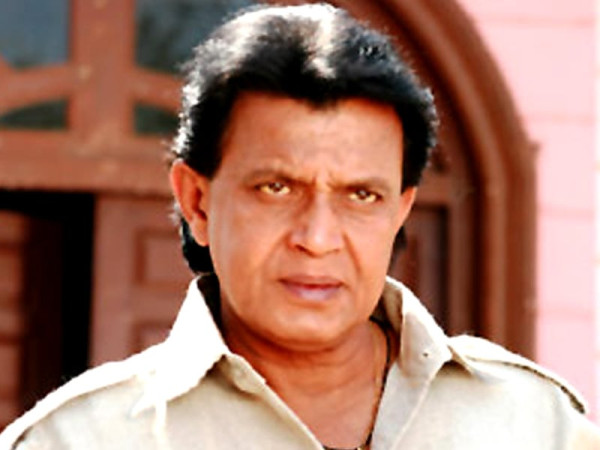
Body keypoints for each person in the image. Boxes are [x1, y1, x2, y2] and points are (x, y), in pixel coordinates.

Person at [1, 4, 599, 449]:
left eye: (361, 195)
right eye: (277, 188)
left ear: (399, 211)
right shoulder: (80, 440)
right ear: (198, 202)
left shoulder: (535, 425)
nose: (316, 238)